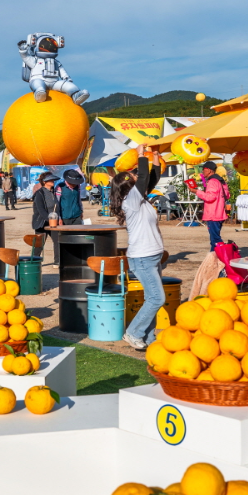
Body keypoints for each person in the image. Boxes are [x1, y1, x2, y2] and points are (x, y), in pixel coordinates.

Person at [109, 145, 164, 350]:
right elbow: (142, 178)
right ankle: (133, 333)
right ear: (127, 184)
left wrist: (156, 155)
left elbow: (152, 177)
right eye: (131, 175)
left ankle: (149, 338)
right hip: (142, 258)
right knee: (157, 298)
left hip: (152, 256)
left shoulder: (140, 199)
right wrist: (141, 155)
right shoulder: (130, 201)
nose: (135, 175)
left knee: (153, 298)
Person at [188, 161, 229, 251]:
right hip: (220, 213)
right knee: (214, 239)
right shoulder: (221, 181)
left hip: (213, 214)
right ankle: (213, 259)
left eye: (204, 170)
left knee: (215, 240)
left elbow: (210, 197)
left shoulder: (212, 182)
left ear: (209, 170)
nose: (202, 172)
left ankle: (223, 257)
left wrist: (196, 191)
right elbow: (227, 195)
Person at [31, 171, 60, 260]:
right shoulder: (39, 193)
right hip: (41, 222)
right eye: (50, 180)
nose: (53, 181)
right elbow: (40, 209)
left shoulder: (54, 192)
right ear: (44, 182)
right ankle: (34, 262)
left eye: (53, 180)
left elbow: (57, 206)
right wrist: (49, 219)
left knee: (58, 241)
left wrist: (57, 219)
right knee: (39, 245)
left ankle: (57, 262)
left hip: (54, 222)